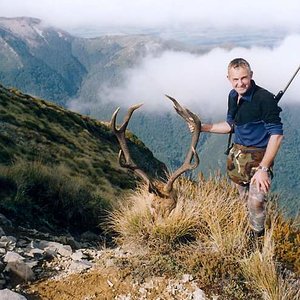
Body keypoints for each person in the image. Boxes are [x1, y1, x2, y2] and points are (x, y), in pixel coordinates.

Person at [193, 58, 283, 237]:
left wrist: (264, 168)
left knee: (256, 202)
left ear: (251, 76)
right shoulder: (233, 96)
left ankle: (258, 239)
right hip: (238, 159)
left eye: (244, 78)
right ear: (229, 79)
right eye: (235, 79)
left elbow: (277, 135)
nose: (240, 83)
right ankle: (244, 232)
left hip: (259, 158)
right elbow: (231, 126)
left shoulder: (264, 99)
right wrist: (203, 127)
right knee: (243, 199)